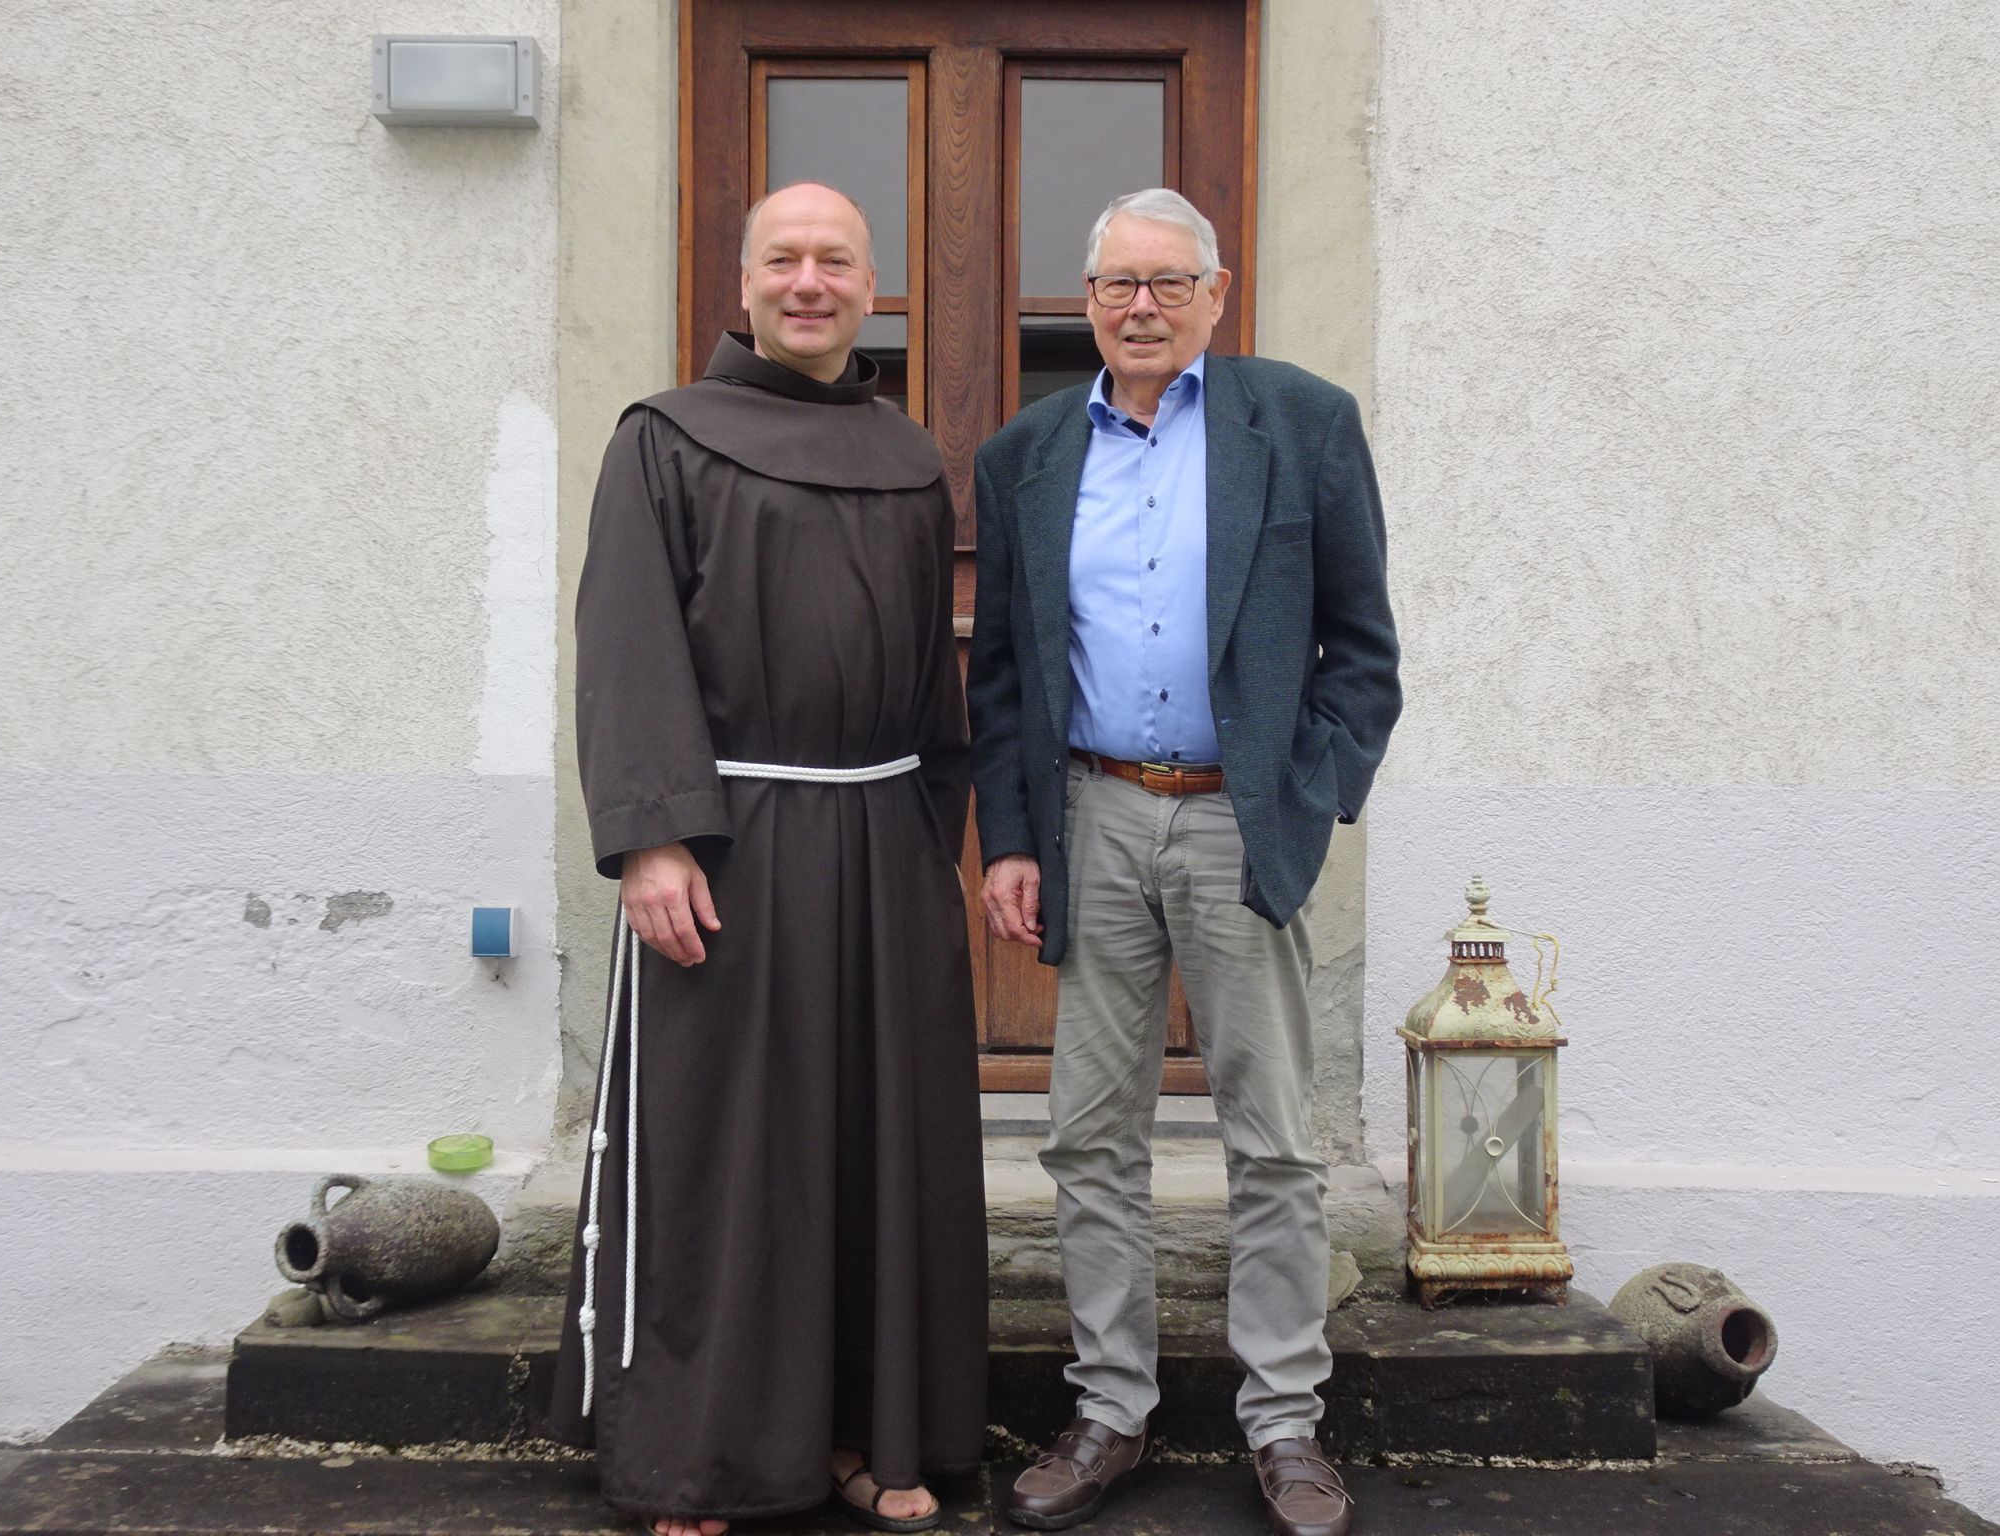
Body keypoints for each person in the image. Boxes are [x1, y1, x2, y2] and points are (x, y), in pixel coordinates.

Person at [546, 181, 987, 1536]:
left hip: (882, 845)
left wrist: (934, 836)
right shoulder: (664, 437)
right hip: (727, 851)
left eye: (834, 261)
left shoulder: (906, 455)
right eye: (783, 260)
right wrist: (652, 839)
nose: (809, 281)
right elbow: (627, 642)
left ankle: (866, 1432)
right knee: (727, 1160)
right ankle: (700, 1459)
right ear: (741, 286)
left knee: (874, 1154)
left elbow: (930, 673)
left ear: (870, 288)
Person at [965, 188, 1401, 1536]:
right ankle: (1110, 1409)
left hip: (1237, 820)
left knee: (1273, 1139)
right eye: (1117, 284)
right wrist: (1014, 838)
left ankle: (1284, 1422)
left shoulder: (1303, 422)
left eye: (1168, 283)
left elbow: (1362, 647)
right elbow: (1003, 675)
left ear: (1217, 294)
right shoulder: (1028, 453)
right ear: (1086, 301)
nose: (1140, 307)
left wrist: (1308, 795)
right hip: (1092, 815)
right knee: (1090, 1136)